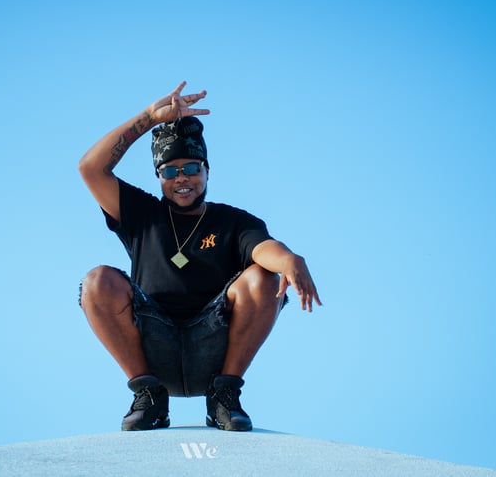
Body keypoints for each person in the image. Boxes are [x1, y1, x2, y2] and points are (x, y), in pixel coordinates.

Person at [78, 81, 321, 432]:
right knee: (97, 280)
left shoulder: (234, 222)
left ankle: (224, 397)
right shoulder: (142, 215)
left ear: (207, 170)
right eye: (170, 171)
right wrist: (149, 118)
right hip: (152, 348)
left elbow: (263, 248)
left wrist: (289, 260)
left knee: (262, 277)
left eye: (191, 168)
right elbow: (90, 168)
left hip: (214, 347)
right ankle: (148, 397)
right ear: (159, 177)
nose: (182, 178)